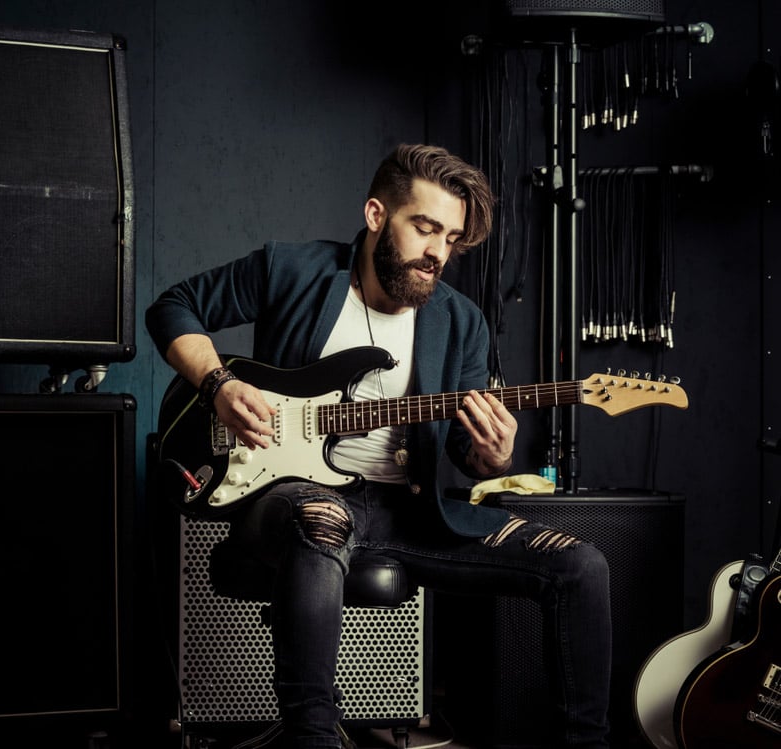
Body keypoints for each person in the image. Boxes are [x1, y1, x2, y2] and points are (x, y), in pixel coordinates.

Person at [146, 143, 612, 749]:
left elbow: (464, 454)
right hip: (291, 499)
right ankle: (313, 739)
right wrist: (219, 383)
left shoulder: (460, 320)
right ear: (375, 216)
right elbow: (171, 308)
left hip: (411, 514)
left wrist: (492, 455)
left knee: (582, 565)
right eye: (425, 228)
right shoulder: (291, 270)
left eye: (451, 238)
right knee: (322, 518)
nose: (437, 253)